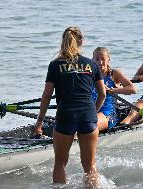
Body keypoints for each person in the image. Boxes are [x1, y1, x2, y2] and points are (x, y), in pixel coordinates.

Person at [34, 26, 106, 187]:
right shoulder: (91, 65)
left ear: (63, 42)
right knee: (90, 166)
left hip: (66, 115)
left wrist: (39, 121)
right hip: (88, 116)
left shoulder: (55, 65)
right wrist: (93, 112)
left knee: (60, 163)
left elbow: (46, 95)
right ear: (81, 42)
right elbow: (102, 94)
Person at [92, 47, 137, 131]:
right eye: (97, 59)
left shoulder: (114, 73)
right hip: (92, 111)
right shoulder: (89, 75)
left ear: (108, 59)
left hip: (108, 112)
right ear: (92, 60)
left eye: (103, 59)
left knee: (88, 124)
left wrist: (111, 90)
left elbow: (132, 89)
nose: (100, 62)